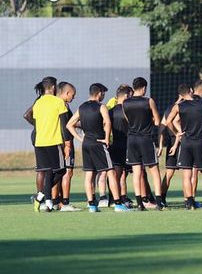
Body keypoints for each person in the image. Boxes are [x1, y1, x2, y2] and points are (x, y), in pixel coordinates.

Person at [67, 83, 130, 212]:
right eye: (103, 93)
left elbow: (69, 124)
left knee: (89, 174)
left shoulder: (82, 107)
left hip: (86, 144)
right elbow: (107, 122)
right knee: (110, 172)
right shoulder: (102, 107)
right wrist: (107, 138)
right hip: (99, 143)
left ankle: (92, 205)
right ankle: (118, 204)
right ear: (99, 93)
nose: (104, 95)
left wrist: (80, 139)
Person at [165, 83, 202, 209]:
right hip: (199, 142)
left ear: (181, 95)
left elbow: (169, 121)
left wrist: (177, 133)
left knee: (187, 174)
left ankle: (189, 203)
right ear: (190, 91)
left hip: (186, 143)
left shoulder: (178, 106)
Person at [123, 77, 166, 211]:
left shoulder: (125, 102)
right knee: (154, 170)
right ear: (143, 88)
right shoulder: (149, 101)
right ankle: (159, 203)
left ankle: (140, 204)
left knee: (136, 172)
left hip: (132, 139)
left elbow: (127, 119)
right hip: (146, 139)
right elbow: (157, 122)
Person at [31, 76, 69, 212]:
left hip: (39, 143)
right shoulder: (58, 102)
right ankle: (43, 196)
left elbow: (35, 124)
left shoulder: (37, 103)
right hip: (54, 142)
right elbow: (64, 126)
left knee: (48, 171)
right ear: (53, 87)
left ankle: (46, 201)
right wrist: (68, 144)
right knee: (61, 170)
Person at [109, 84, 134, 207]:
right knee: (127, 173)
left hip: (114, 145)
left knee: (117, 174)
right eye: (130, 96)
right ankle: (144, 200)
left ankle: (118, 198)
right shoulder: (128, 111)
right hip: (127, 146)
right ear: (125, 96)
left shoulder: (109, 112)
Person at [56, 82, 77, 211]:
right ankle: (64, 203)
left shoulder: (53, 104)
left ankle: (55, 201)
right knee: (67, 172)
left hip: (54, 141)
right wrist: (68, 143)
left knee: (58, 172)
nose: (73, 98)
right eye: (72, 95)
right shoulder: (62, 105)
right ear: (67, 93)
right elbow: (66, 125)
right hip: (64, 142)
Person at [160, 92, 183, 206]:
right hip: (181, 142)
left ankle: (162, 199)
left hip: (171, 142)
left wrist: (160, 145)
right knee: (189, 172)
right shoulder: (183, 107)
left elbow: (161, 128)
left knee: (168, 174)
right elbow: (179, 130)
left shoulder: (168, 109)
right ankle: (190, 200)